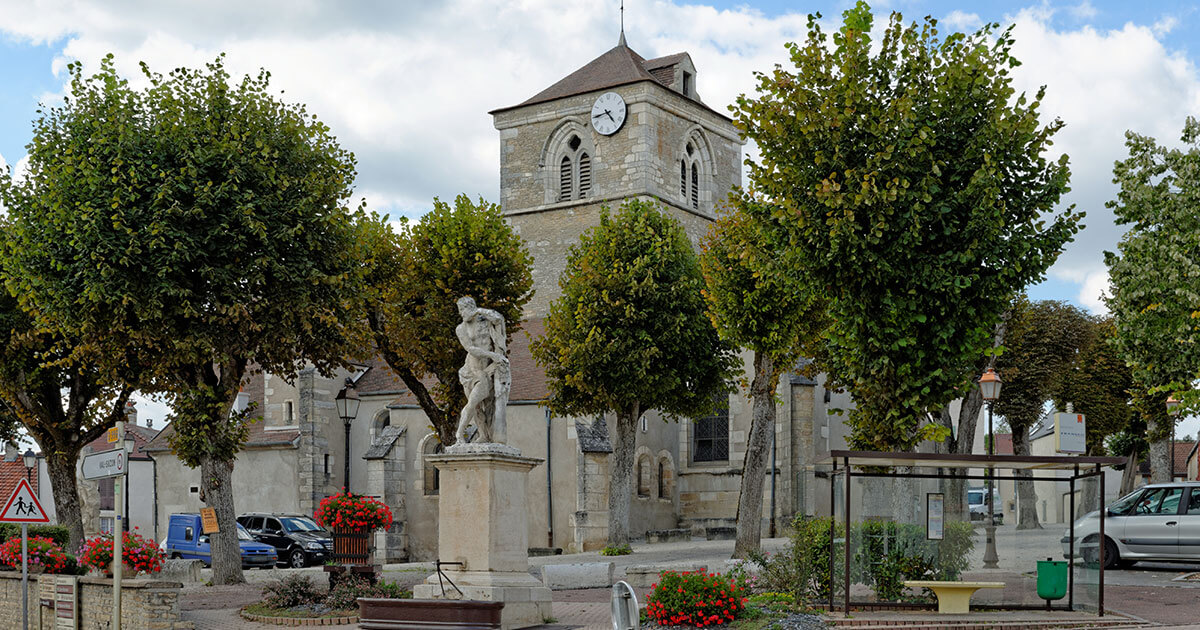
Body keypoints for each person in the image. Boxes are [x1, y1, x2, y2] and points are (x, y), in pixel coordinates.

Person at [454, 297, 511, 445]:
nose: (461, 314)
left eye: (462, 310)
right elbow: (470, 349)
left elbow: (499, 320)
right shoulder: (461, 328)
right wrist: (493, 356)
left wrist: (479, 311)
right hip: (471, 369)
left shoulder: (485, 322)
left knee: (484, 402)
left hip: (488, 369)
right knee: (475, 405)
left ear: (470, 307)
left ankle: (478, 435)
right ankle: (467, 435)